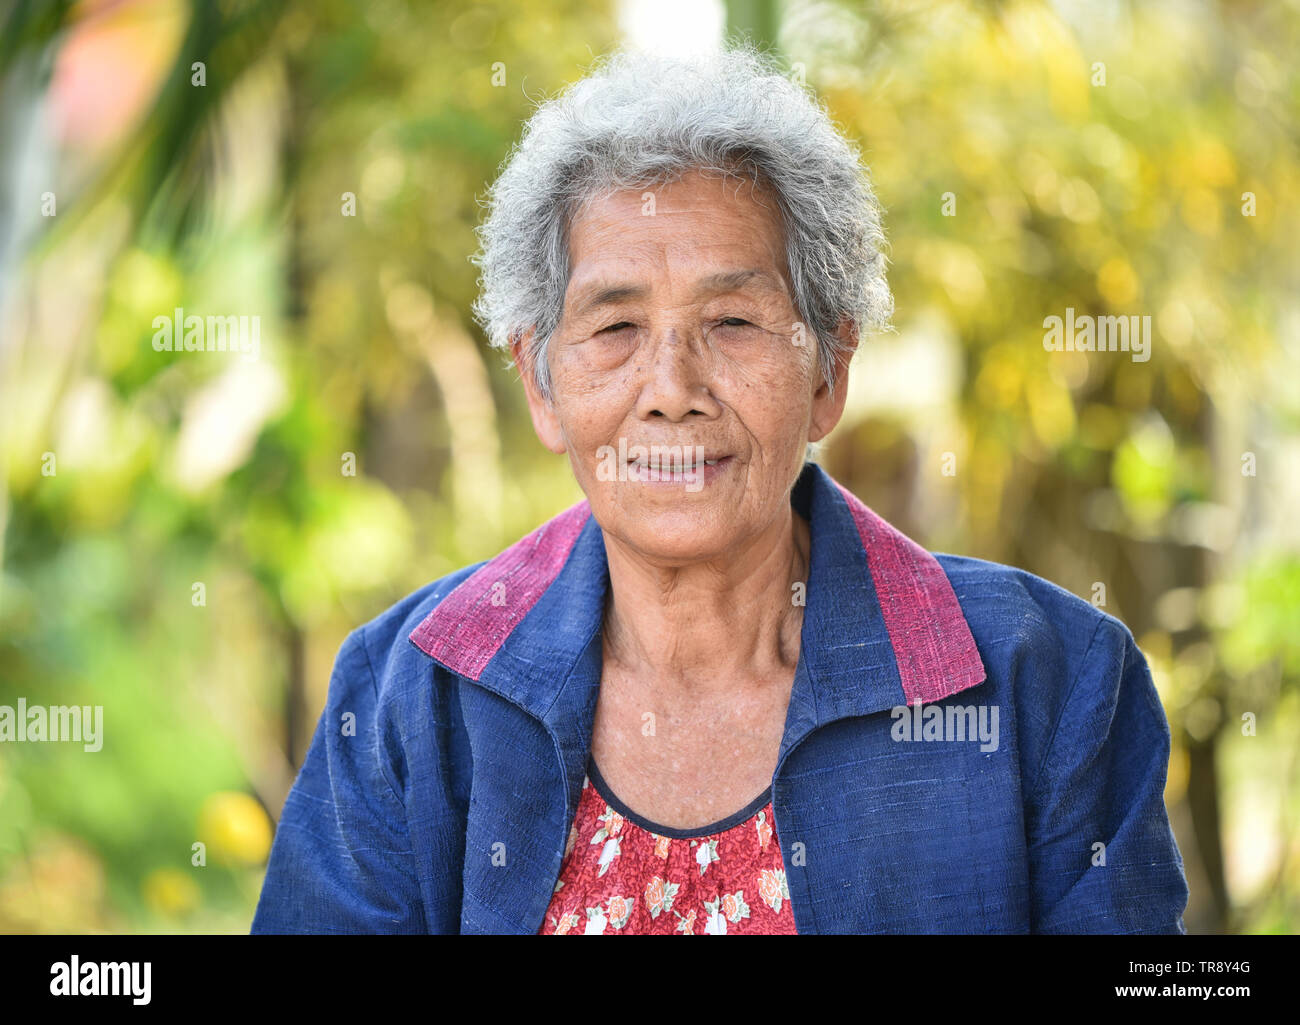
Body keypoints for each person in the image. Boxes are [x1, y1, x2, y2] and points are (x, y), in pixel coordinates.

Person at [251, 45, 1188, 934]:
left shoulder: (1049, 683)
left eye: (733, 320)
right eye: (615, 327)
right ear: (539, 381)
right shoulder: (411, 693)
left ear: (829, 369)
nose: (672, 390)